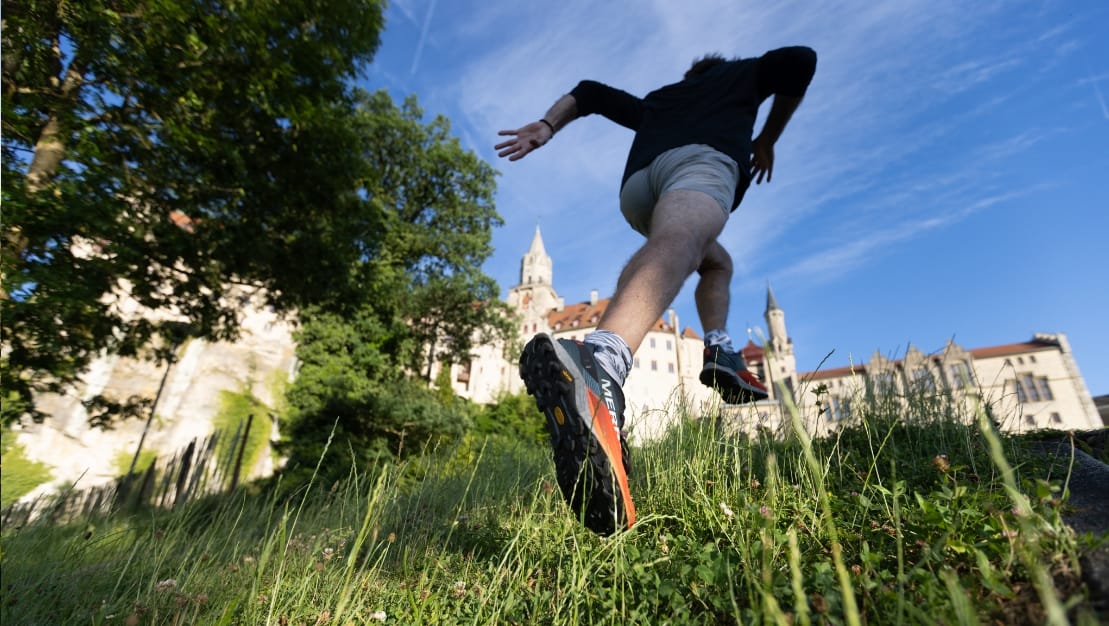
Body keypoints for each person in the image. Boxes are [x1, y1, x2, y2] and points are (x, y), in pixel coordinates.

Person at [495, 46, 817, 535]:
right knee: (683, 241)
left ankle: (719, 349)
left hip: (640, 190)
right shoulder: (739, 76)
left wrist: (546, 125)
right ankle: (602, 362)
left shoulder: (664, 98)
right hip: (698, 166)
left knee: (714, 260)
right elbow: (801, 60)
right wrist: (766, 139)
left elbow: (590, 94)